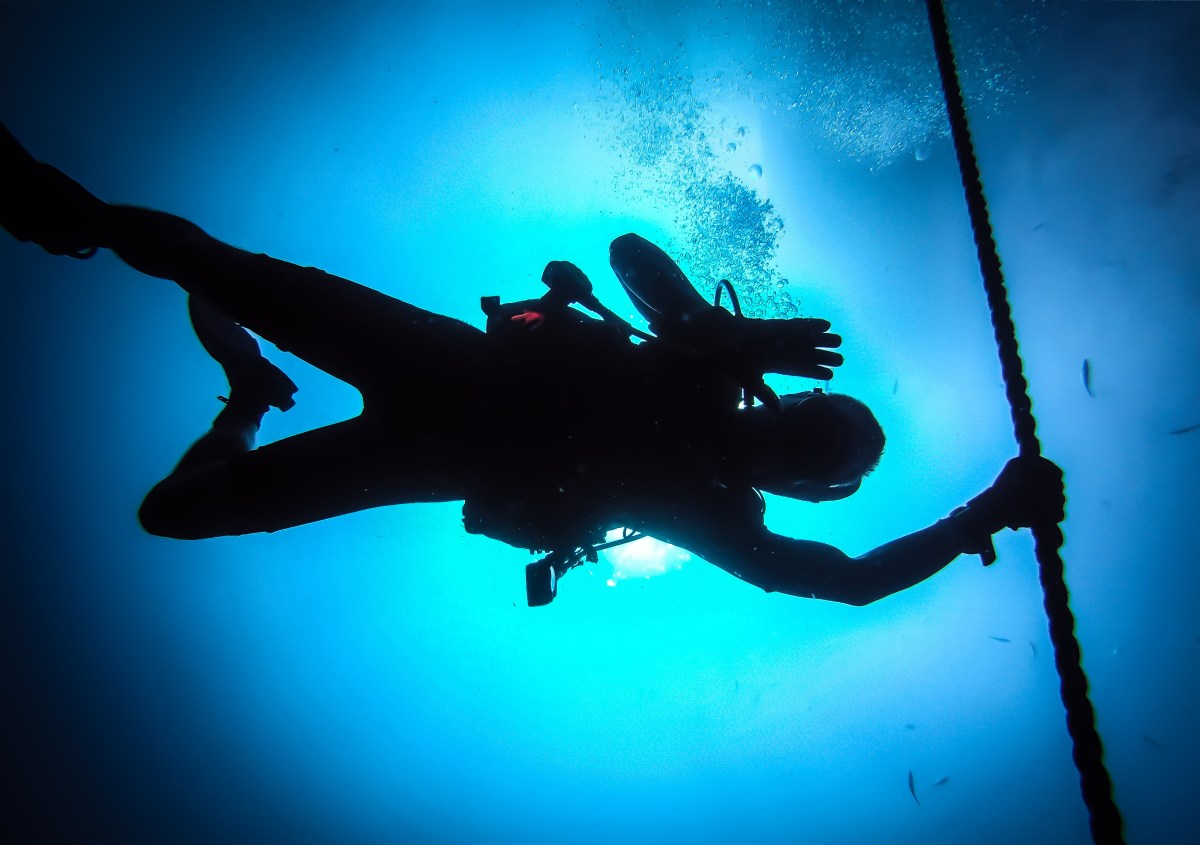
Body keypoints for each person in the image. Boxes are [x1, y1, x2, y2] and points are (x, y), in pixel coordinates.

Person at [0, 124, 1064, 606]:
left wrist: (985, 512)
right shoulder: (706, 364)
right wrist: (725, 333)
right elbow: (628, 253)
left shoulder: (717, 516)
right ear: (791, 403)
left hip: (427, 459)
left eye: (819, 458)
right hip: (443, 361)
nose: (796, 443)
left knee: (172, 514)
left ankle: (243, 402)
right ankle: (61, 208)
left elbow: (850, 581)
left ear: (808, 490)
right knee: (220, 269)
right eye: (816, 423)